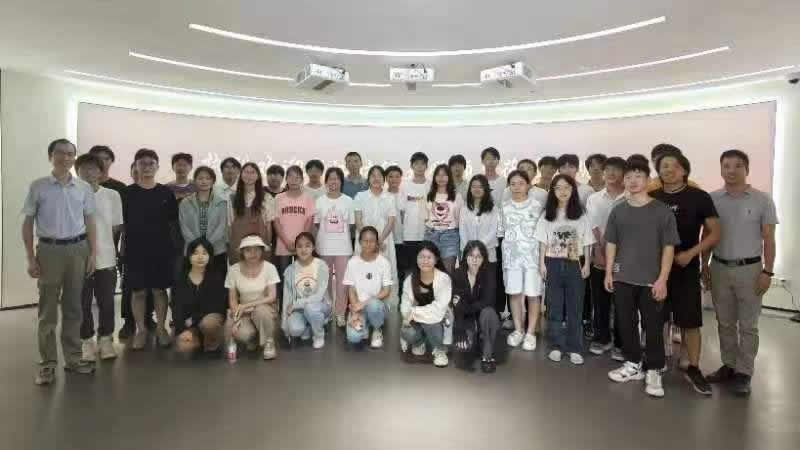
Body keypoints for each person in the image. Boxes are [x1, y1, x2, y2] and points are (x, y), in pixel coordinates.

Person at [604, 157, 680, 398]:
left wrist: (663, 279)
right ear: (623, 181)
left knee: (653, 326)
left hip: (651, 280)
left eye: (638, 176)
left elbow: (669, 247)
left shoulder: (662, 211)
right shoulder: (618, 210)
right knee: (625, 323)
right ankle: (633, 363)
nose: (633, 181)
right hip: (623, 277)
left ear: (647, 179)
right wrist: (609, 272)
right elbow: (611, 243)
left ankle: (655, 369)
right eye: (628, 177)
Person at [24, 139, 98, 385]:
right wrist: (31, 257)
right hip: (49, 250)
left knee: (74, 307)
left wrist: (93, 254)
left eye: (70, 154)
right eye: (60, 153)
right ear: (51, 156)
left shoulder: (83, 188)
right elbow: (27, 224)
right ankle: (47, 364)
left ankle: (73, 359)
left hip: (78, 249)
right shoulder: (39, 186)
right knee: (47, 311)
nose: (66, 157)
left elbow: (90, 222)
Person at [705, 149, 777, 397]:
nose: (731, 170)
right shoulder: (712, 199)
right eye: (726, 166)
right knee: (724, 322)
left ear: (747, 169)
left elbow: (769, 238)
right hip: (719, 267)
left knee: (748, 325)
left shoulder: (762, 200)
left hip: (750, 270)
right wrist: (704, 265)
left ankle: (744, 372)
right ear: (721, 169)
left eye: (737, 166)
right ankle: (729, 365)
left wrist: (768, 271)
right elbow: (707, 235)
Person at [650, 150, 721, 396]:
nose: (668, 170)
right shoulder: (652, 197)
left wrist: (692, 254)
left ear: (684, 170)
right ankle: (655, 363)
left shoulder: (699, 197)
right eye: (663, 166)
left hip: (686, 267)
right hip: (657, 269)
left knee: (690, 321)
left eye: (673, 165)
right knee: (656, 318)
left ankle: (693, 367)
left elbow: (714, 233)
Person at [123, 148, 180, 350]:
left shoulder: (166, 193)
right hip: (135, 251)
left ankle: (161, 329)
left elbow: (173, 223)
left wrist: (174, 251)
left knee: (159, 290)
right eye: (142, 163)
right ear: (136, 166)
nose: (147, 167)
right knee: (138, 292)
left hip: (161, 250)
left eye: (151, 163)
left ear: (157, 167)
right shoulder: (127, 193)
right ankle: (141, 330)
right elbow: (121, 224)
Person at [536, 175, 595, 365]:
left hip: (574, 263)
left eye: (567, 187)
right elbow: (542, 241)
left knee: (575, 307)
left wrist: (587, 264)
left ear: (573, 190)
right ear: (552, 191)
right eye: (558, 188)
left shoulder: (581, 214)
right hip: (552, 263)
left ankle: (574, 347)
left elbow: (587, 242)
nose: (563, 191)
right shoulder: (547, 214)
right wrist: (541, 263)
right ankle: (556, 346)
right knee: (554, 307)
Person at [75, 154, 122, 362]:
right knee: (82, 302)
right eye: (84, 168)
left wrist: (104, 246)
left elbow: (115, 227)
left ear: (101, 172)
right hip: (78, 257)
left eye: (93, 168)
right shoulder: (71, 194)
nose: (88, 172)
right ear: (77, 171)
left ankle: (105, 339)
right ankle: (86, 340)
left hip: (106, 257)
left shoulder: (112, 195)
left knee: (106, 301)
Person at [585, 157, 627, 360]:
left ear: (624, 173)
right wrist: (600, 249)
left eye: (616, 169)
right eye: (607, 169)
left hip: (625, 258)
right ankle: (602, 338)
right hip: (599, 256)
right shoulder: (594, 198)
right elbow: (592, 226)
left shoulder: (630, 197)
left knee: (623, 303)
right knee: (600, 301)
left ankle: (621, 342)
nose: (611, 173)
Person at [498, 170, 544, 351]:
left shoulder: (537, 206)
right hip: (512, 258)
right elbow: (500, 232)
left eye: (521, 183)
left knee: (533, 294)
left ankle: (531, 333)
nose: (517, 187)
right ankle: (518, 330)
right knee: (514, 294)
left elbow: (542, 234)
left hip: (533, 258)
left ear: (528, 185)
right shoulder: (504, 207)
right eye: (513, 184)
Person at [224, 234, 281, 360]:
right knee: (242, 334)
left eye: (256, 249)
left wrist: (246, 305)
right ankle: (253, 338)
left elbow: (272, 297)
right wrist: (236, 317)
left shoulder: (269, 268)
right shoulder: (233, 270)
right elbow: (233, 300)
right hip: (244, 313)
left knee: (260, 311)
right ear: (242, 252)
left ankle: (269, 342)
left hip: (265, 309)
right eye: (248, 250)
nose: (253, 253)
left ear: (262, 250)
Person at [313, 167, 355, 328]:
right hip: (324, 247)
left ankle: (340, 313)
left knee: (342, 283)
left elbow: (351, 224)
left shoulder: (348, 201)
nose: (333, 181)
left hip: (343, 248)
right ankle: (328, 311)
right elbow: (317, 223)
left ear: (341, 182)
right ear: (326, 182)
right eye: (330, 178)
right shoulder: (320, 201)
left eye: (336, 178)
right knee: (325, 282)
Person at [118, 162, 155, 339]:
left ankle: (148, 317)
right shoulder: (126, 193)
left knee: (152, 285)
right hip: (130, 248)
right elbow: (120, 222)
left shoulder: (156, 192)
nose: (140, 172)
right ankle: (128, 322)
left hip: (153, 248)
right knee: (130, 287)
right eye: (135, 170)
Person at [400, 241, 452, 367]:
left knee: (432, 322)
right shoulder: (410, 279)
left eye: (429, 257)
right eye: (421, 257)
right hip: (418, 319)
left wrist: (415, 312)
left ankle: (439, 350)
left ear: (436, 259)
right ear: (416, 259)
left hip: (437, 320)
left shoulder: (443, 279)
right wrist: (407, 316)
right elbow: (405, 305)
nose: (425, 261)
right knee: (407, 332)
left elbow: (438, 309)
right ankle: (419, 342)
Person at [452, 240, 500, 373]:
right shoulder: (457, 274)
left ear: (484, 258)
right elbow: (456, 304)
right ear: (465, 257)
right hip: (466, 318)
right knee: (464, 349)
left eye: (478, 256)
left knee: (489, 312)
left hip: (484, 316)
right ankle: (476, 338)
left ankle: (487, 355)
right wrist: (460, 330)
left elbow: (488, 301)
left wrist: (466, 307)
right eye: (471, 256)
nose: (474, 260)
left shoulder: (489, 273)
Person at [173, 237, 227, 354]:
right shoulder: (181, 279)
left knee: (209, 324)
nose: (200, 257)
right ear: (189, 256)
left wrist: (194, 319)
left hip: (207, 320)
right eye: (196, 253)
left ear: (210, 256)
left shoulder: (216, 277)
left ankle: (212, 341)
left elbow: (218, 306)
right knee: (184, 347)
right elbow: (176, 307)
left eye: (204, 253)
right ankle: (199, 339)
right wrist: (182, 329)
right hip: (189, 324)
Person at [343, 227, 393, 348]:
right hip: (358, 307)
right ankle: (365, 324)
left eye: (372, 241)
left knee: (373, 305)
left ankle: (377, 329)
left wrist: (364, 303)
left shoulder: (384, 262)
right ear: (360, 242)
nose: (368, 244)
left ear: (377, 243)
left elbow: (386, 291)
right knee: (353, 338)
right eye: (365, 240)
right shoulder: (352, 262)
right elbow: (351, 289)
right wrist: (355, 310)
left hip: (378, 306)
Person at [281, 233, 332, 348]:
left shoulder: (321, 265)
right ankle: (309, 326)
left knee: (311, 308)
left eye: (307, 246)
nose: (303, 249)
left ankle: (319, 335)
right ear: (295, 249)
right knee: (294, 329)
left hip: (320, 306)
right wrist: (285, 327)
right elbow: (286, 298)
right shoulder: (290, 270)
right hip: (300, 310)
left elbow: (319, 296)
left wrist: (296, 304)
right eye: (299, 246)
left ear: (313, 247)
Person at [354, 165, 398, 298]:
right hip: (364, 242)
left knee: (384, 273)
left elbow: (391, 221)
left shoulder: (390, 197)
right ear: (368, 179)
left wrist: (379, 241)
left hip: (384, 240)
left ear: (384, 179)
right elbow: (358, 220)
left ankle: (387, 305)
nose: (376, 178)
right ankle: (362, 303)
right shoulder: (360, 196)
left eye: (379, 175)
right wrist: (368, 241)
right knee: (364, 272)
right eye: (373, 175)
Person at [179, 166, 229, 278]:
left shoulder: (222, 203)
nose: (204, 181)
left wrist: (207, 245)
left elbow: (222, 227)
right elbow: (184, 227)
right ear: (195, 181)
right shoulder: (185, 203)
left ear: (213, 181)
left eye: (208, 178)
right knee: (193, 284)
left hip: (217, 251)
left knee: (216, 283)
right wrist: (197, 246)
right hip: (193, 251)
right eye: (200, 178)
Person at [274, 165, 315, 296]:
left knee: (302, 279)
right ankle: (284, 307)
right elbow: (276, 221)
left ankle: (301, 306)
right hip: (283, 244)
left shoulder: (308, 198)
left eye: (297, 177)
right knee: (284, 279)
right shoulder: (279, 198)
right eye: (290, 177)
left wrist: (299, 243)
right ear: (286, 179)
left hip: (302, 246)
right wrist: (286, 241)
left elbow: (309, 221)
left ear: (302, 180)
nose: (294, 180)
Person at [228, 162, 276, 265]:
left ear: (258, 176)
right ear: (241, 175)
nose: (249, 175)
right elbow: (229, 225)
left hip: (259, 245)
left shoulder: (266, 197)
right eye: (246, 172)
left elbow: (268, 226)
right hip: (238, 246)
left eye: (252, 172)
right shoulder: (232, 198)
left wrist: (267, 244)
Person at [424, 164, 463, 273]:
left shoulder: (457, 196)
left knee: (448, 270)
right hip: (431, 235)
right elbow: (426, 217)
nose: (441, 178)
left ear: (449, 177)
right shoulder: (429, 195)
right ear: (434, 177)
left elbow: (459, 218)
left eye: (444, 175)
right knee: (430, 270)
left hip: (450, 236)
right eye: (438, 175)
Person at [459, 175, 499, 276]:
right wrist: (470, 248)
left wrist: (479, 247)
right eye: (474, 186)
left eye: (480, 187)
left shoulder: (494, 209)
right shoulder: (464, 209)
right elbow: (462, 231)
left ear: (486, 189)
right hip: (469, 254)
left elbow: (493, 231)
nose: (477, 189)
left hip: (488, 253)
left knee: (488, 283)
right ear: (470, 189)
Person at [401, 152, 430, 291]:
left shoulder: (431, 185)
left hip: (427, 234)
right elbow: (401, 210)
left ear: (426, 166)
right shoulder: (405, 185)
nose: (419, 167)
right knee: (410, 269)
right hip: (409, 234)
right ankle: (409, 295)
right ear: (412, 166)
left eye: (422, 164)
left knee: (426, 268)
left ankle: (425, 296)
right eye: (416, 164)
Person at [385, 165, 407, 296]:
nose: (394, 179)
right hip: (386, 239)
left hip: (401, 239)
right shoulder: (383, 195)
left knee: (401, 270)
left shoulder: (405, 195)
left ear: (401, 178)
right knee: (386, 270)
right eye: (391, 176)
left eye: (397, 176)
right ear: (386, 178)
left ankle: (400, 298)